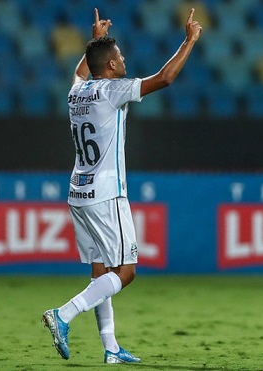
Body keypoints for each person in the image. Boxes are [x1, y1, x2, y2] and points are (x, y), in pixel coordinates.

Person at [42, 7, 202, 364]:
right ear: (111, 67)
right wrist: (189, 40)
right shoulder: (112, 91)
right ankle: (63, 315)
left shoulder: (77, 92)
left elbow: (80, 70)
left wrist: (97, 41)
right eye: (118, 56)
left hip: (78, 192)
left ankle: (111, 348)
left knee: (101, 270)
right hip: (106, 193)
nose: (124, 58)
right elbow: (164, 78)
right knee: (126, 271)